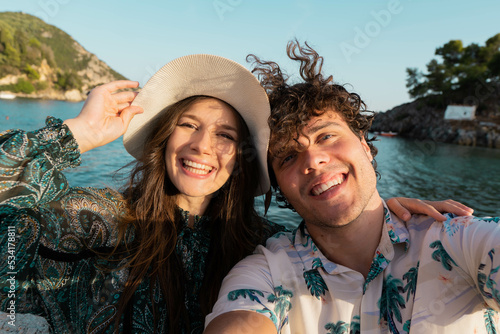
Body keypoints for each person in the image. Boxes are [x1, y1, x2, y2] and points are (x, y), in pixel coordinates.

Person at [0, 54, 468, 333]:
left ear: (242, 155)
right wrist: (76, 134)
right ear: (164, 139)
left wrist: (381, 215)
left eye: (225, 135)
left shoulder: (261, 246)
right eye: (189, 125)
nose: (203, 146)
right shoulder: (100, 217)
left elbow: (333, 233)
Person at [204, 41, 497, 334]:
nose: (314, 160)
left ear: (365, 145)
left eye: (326, 136)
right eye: (289, 157)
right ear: (280, 185)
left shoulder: (458, 240)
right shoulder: (266, 273)